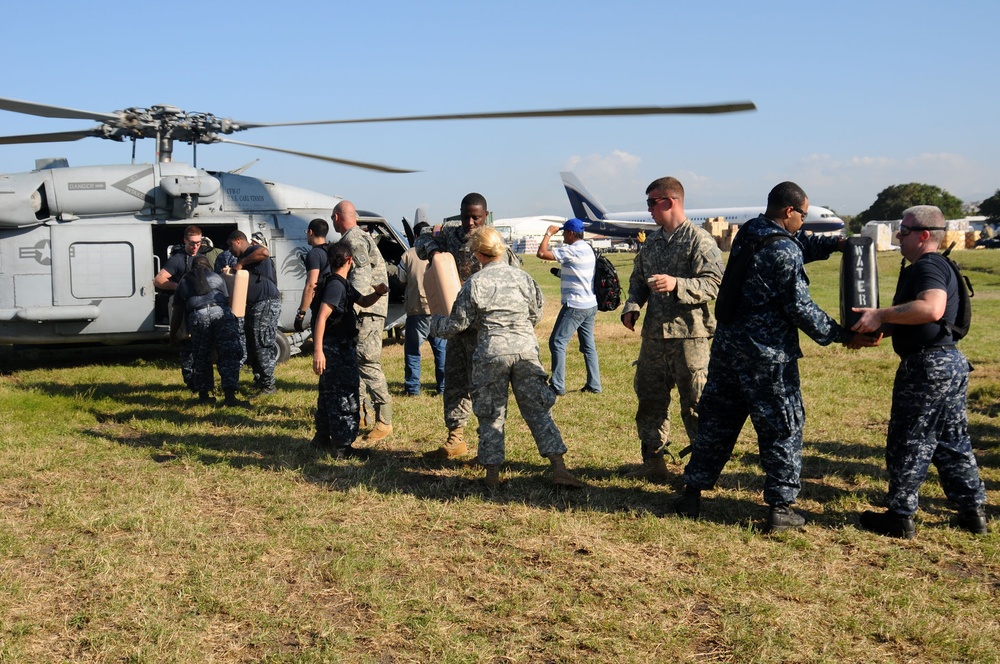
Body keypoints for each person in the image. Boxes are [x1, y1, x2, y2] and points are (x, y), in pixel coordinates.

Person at [675, 181, 876, 533]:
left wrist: (836, 244)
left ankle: (692, 493)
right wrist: (843, 335)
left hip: (728, 349)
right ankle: (781, 508)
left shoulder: (751, 231)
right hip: (766, 359)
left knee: (716, 423)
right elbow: (799, 306)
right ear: (789, 211)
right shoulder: (781, 250)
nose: (805, 221)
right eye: (803, 215)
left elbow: (795, 243)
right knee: (783, 427)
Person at [851, 205, 987, 538]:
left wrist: (881, 315)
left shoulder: (928, 266)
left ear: (924, 236)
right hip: (948, 363)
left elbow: (931, 308)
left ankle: (900, 515)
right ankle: (973, 514)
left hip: (928, 367)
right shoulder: (934, 265)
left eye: (905, 231)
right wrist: (879, 328)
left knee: (908, 440)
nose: (898, 235)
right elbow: (924, 316)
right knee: (951, 441)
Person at [430, 226, 585, 488]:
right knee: (538, 410)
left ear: (478, 254)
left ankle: (491, 476)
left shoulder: (475, 284)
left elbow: (457, 325)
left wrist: (434, 323)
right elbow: (535, 312)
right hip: (525, 350)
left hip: (492, 352)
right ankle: (559, 468)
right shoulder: (524, 278)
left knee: (491, 414)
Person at [620, 177, 724, 481]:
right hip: (654, 337)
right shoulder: (651, 242)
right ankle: (653, 462)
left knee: (695, 403)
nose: (649, 209)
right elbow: (638, 280)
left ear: (670, 202)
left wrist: (678, 284)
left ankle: (702, 469)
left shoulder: (699, 240)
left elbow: (714, 283)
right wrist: (632, 305)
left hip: (690, 337)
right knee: (650, 399)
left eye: (652, 202)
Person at [415, 193, 521, 459]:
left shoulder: (494, 243)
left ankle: (488, 447)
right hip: (457, 323)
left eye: (476, 216)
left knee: (484, 389)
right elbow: (422, 237)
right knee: (454, 381)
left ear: (486, 215)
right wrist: (435, 251)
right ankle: (455, 437)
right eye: (466, 216)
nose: (470, 222)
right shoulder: (451, 234)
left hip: (484, 330)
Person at [312, 241, 389, 459]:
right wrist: (318, 351)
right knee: (344, 394)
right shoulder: (336, 285)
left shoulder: (338, 282)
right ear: (349, 260)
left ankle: (323, 437)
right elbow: (322, 317)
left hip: (335, 346)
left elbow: (362, 301)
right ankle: (342, 447)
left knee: (328, 393)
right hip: (336, 347)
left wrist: (378, 294)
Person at [332, 200, 394, 442]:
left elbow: (360, 274)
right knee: (356, 362)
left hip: (366, 310)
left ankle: (384, 420)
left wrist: (350, 305)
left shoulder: (353, 239)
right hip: (365, 307)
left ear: (337, 217)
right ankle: (360, 414)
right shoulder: (355, 236)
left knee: (368, 361)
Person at [169, 255, 247, 407]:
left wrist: (173, 335)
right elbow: (227, 300)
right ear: (208, 266)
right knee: (228, 354)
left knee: (201, 356)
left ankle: (204, 396)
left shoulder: (183, 281)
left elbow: (177, 312)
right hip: (221, 313)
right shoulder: (217, 277)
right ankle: (230, 396)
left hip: (198, 315)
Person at [536, 217, 601, 395]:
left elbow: (541, 254)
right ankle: (594, 384)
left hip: (575, 305)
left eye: (565, 232)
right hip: (590, 303)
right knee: (588, 346)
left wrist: (548, 234)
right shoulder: (587, 248)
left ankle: (557, 386)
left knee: (557, 342)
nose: (563, 234)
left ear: (571, 233)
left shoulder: (571, 250)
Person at [154, 225, 217, 390]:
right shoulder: (178, 259)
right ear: (185, 241)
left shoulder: (204, 258)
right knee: (186, 345)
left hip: (201, 307)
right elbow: (159, 280)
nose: (195, 246)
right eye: (192, 243)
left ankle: (204, 382)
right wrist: (180, 286)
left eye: (199, 242)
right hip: (183, 307)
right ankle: (190, 382)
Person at [227, 230, 281, 395]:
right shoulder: (244, 257)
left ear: (238, 240)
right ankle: (260, 380)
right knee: (252, 344)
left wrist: (241, 263)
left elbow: (264, 251)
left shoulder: (252, 250)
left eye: (230, 246)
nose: (230, 251)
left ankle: (268, 385)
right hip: (254, 305)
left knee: (261, 344)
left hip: (265, 304)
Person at [398, 221, 446, 396]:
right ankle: (443, 387)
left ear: (416, 237)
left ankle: (412, 389)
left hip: (417, 310)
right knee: (441, 351)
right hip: (438, 310)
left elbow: (401, 279)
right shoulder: (440, 254)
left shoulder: (408, 255)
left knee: (412, 351)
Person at [294, 218, 331, 333]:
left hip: (321, 306)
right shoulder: (332, 251)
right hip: (334, 304)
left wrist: (301, 313)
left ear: (310, 232)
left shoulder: (314, 254)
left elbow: (311, 285)